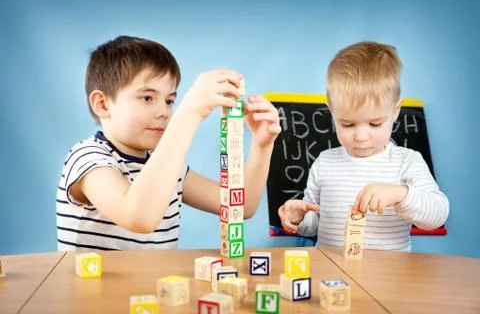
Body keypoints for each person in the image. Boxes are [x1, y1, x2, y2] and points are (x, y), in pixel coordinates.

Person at [56, 35, 281, 251]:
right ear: (102, 104)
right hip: (94, 291)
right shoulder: (87, 158)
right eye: (147, 98)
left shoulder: (168, 167)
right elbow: (139, 218)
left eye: (170, 100)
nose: (164, 112)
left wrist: (262, 145)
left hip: (155, 291)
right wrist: (189, 113)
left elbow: (240, 206)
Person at [278, 41, 449, 251]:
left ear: (395, 111)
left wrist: (400, 194)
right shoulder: (325, 162)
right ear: (331, 111)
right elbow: (315, 224)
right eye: (347, 124)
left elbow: (437, 214)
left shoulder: (407, 162)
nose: (360, 136)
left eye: (375, 124)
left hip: (389, 278)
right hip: (331, 274)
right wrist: (300, 218)